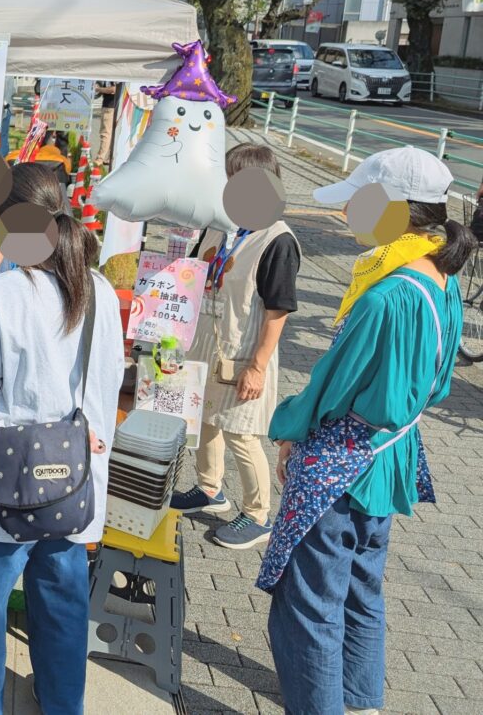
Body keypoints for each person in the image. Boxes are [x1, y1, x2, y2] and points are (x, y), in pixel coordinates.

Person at [260, 147, 470, 715]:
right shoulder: (440, 280)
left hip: (341, 463)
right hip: (390, 456)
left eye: (359, 202)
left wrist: (290, 430)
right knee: (361, 589)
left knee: (311, 605)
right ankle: (360, 700)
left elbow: (331, 385)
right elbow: (441, 383)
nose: (348, 212)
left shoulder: (386, 293)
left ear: (396, 212)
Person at [0, 163, 124, 715]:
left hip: (5, 482)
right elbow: (109, 380)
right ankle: (63, 704)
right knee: (62, 609)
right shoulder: (100, 291)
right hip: (76, 483)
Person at [171, 144, 300, 549]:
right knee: (205, 419)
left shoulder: (278, 240)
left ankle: (258, 514)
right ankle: (210, 490)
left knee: (242, 434)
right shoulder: (221, 225)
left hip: (245, 353)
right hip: (207, 345)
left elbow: (278, 309)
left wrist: (258, 366)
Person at [94, 82, 116, 166]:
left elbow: (113, 89)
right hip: (112, 106)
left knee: (105, 133)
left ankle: (99, 159)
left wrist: (98, 89)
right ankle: (110, 157)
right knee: (111, 133)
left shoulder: (113, 74)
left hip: (109, 106)